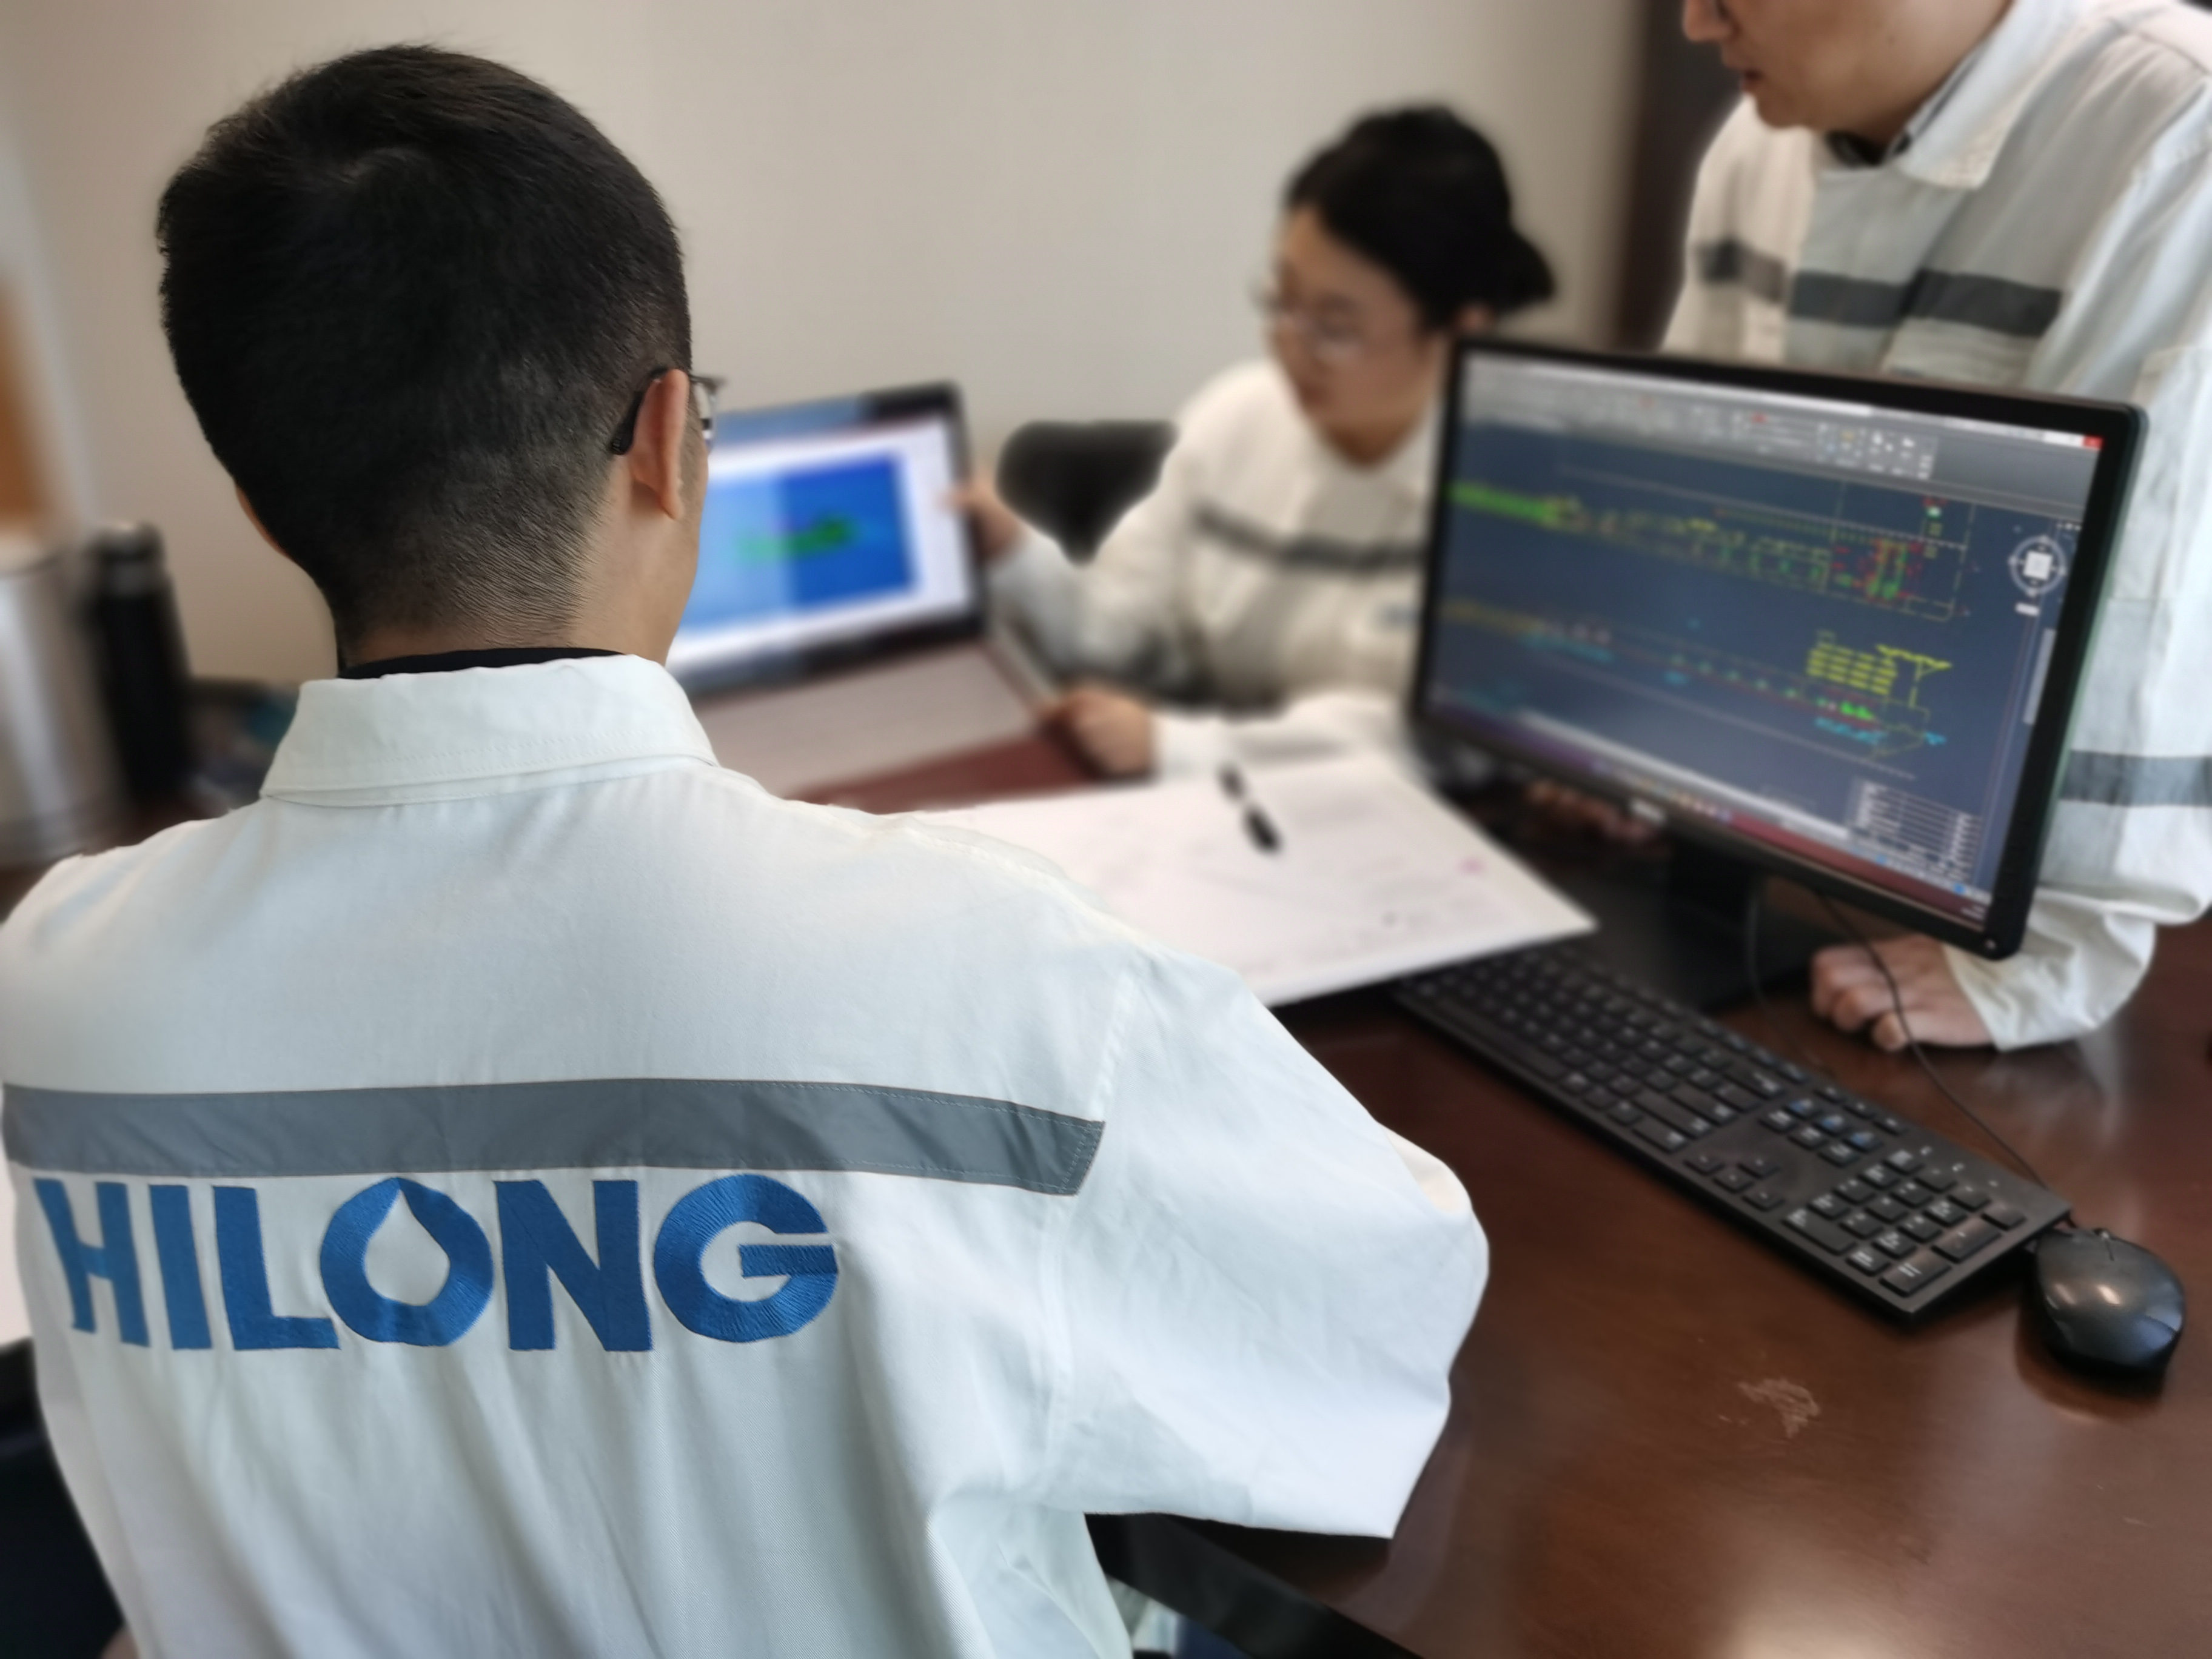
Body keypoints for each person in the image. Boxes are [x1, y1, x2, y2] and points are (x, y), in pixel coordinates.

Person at [0, 48, 1484, 1658]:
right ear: (667, 440)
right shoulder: (997, 982)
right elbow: (1374, 1311)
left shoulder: (64, 995)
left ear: (259, 504)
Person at [1669, 0, 2212, 1051]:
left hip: (2010, 911)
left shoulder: (2178, 128)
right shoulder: (1759, 140)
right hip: (1799, 839)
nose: (1696, 20)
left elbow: (2143, 594)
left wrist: (2038, 959)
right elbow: (1696, 486)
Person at [985, 107, 1553, 779]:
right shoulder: (1234, 420)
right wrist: (1012, 553)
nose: (1290, 345)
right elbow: (1122, 627)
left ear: (1459, 331)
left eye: (1335, 328)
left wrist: (1180, 746)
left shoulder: (1513, 496)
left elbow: (1436, 739)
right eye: (1283, 301)